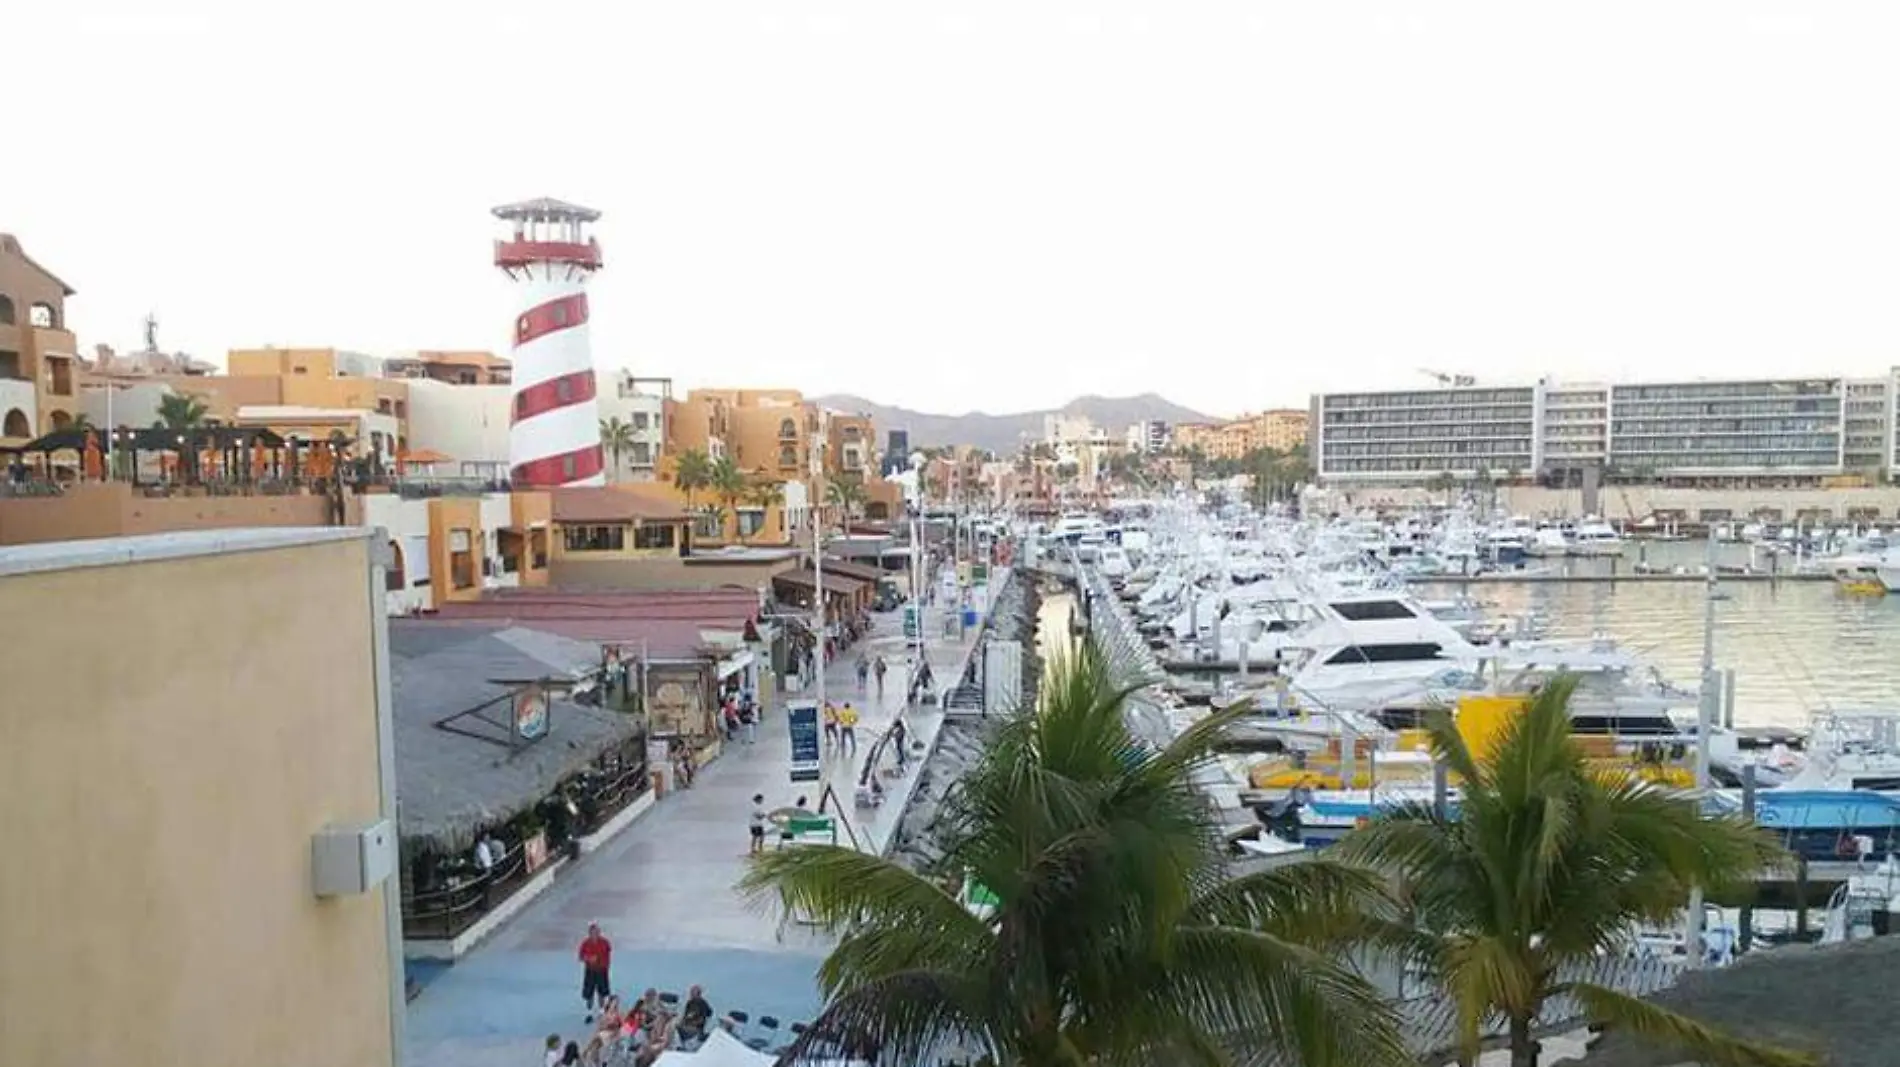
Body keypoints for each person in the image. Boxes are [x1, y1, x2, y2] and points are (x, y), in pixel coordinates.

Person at [578, 922, 612, 1023]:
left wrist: (606, 966)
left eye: (597, 931)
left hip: (602, 970)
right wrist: (588, 959)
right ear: (589, 933)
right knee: (589, 992)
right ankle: (589, 1011)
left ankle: (601, 1010)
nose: (595, 933)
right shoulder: (585, 943)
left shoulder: (605, 942)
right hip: (590, 970)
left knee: (602, 992)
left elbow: (608, 955)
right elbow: (581, 957)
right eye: (593, 932)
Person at [676, 984, 714, 1049]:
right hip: (686, 1027)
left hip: (695, 1029)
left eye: (693, 991)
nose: (690, 993)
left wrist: (691, 1025)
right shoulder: (690, 1003)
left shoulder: (702, 1003)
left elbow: (704, 1017)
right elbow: (685, 1016)